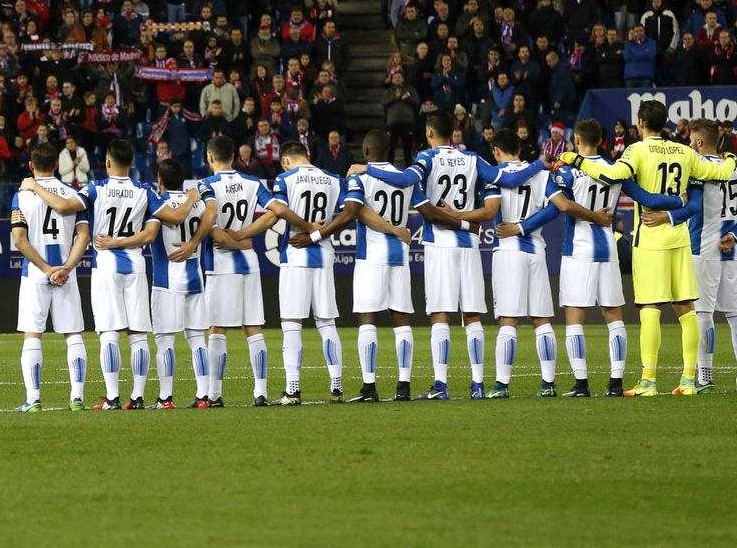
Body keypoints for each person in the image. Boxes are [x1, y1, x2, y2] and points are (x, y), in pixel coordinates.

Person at [563, 100, 736, 395]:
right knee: (687, 308)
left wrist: (576, 161)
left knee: (650, 308)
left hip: (651, 238)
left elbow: (612, 175)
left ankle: (649, 381)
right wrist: (730, 156)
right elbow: (719, 173)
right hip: (680, 237)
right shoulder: (684, 151)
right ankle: (688, 380)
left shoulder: (637, 150)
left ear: (641, 123)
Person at [364, 113, 542, 399]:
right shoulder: (473, 158)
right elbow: (509, 178)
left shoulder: (428, 157)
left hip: (440, 244)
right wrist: (538, 164)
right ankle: (478, 386)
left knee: (440, 314)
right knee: (471, 314)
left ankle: (441, 385)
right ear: (453, 132)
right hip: (470, 244)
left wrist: (368, 169)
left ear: (430, 133)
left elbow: (406, 179)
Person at [528, 119, 675, 396]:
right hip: (608, 251)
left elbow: (563, 205)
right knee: (614, 315)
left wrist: (592, 216)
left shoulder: (568, 172)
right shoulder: (616, 170)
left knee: (574, 315)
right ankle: (616, 384)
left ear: (579, 142)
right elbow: (649, 198)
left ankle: (581, 384)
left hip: (578, 251)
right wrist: (679, 203)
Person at [22, 136, 162, 409]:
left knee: (109, 332)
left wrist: (34, 185)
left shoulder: (95, 188)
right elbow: (150, 233)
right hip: (136, 266)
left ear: (107, 162)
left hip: (107, 266)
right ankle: (138, 397)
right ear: (132, 163)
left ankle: (112, 398)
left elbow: (63, 206)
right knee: (138, 334)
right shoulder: (145, 190)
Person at [230, 141, 341, 403]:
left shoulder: (284, 179)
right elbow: (346, 214)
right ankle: (337, 388)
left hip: (295, 253)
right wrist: (318, 233)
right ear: (308, 155)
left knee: (292, 323)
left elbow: (274, 215)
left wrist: (243, 233)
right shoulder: (333, 179)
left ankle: (293, 390)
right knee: (327, 323)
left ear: (286, 161)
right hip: (324, 254)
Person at [98, 157, 209, 408]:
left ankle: (165, 398)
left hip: (166, 280)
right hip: (195, 278)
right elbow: (209, 224)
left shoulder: (159, 204)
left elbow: (149, 235)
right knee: (197, 338)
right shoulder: (199, 205)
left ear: (159, 180)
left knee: (165, 340)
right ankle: (204, 396)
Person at [333, 130, 418, 402]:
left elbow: (356, 212)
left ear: (366, 152)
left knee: (367, 318)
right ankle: (403, 385)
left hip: (371, 256)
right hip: (400, 256)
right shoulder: (404, 178)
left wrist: (391, 229)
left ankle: (369, 387)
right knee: (401, 318)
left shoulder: (360, 176)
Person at [9, 142, 92, 412]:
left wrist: (46, 269)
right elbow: (84, 235)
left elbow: (19, 241)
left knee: (33, 335)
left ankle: (33, 399)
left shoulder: (21, 195)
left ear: (31, 166)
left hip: (34, 273)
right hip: (66, 275)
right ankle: (77, 398)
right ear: (56, 165)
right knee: (73, 334)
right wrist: (66, 268)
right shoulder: (73, 194)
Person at [192, 135, 275, 406]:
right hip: (250, 262)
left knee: (217, 329)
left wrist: (231, 240)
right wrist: (244, 237)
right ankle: (261, 393)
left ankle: (214, 395)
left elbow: (212, 225)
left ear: (210, 157)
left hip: (220, 264)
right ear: (234, 156)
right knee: (254, 327)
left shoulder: (206, 184)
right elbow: (276, 211)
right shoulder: (253, 183)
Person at [481, 130, 563, 397]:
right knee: (541, 319)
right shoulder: (539, 173)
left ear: (496, 150)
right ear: (519, 147)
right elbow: (555, 207)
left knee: (509, 319)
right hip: (536, 250)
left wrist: (516, 228)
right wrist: (526, 227)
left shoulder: (495, 174)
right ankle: (548, 384)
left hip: (508, 251)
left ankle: (502, 385)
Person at [672, 119, 737, 392]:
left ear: (699, 142)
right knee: (735, 315)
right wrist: (733, 235)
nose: (689, 145)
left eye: (690, 140)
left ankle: (705, 376)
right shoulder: (733, 168)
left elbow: (692, 205)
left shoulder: (697, 168)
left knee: (703, 313)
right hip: (732, 247)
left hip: (703, 247)